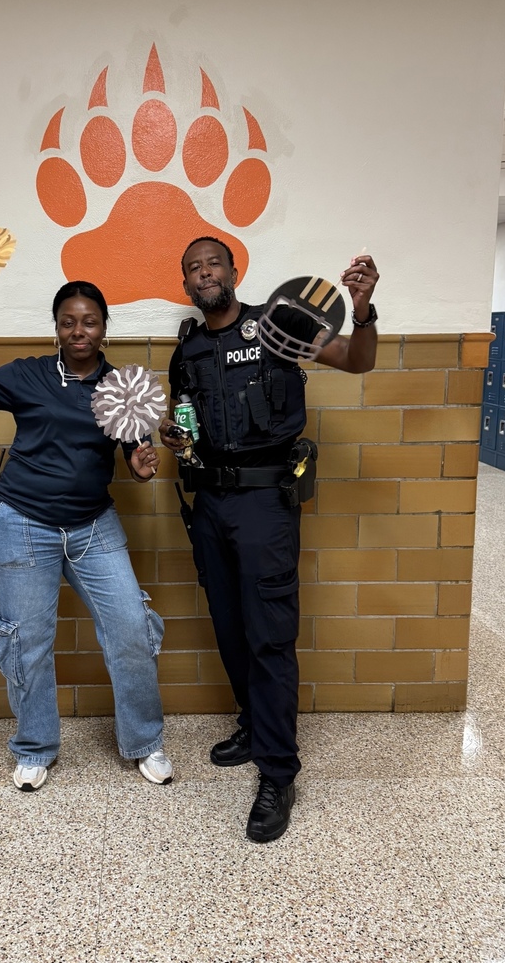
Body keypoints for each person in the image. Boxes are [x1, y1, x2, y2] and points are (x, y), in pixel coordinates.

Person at [159, 238, 379, 842]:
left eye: (213, 264)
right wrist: (173, 437)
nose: (204, 274)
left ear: (235, 271)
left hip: (264, 505)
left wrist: (362, 310)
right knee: (230, 627)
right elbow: (183, 421)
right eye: (193, 268)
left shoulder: (280, 324)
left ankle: (279, 773)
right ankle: (256, 727)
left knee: (270, 636)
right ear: (187, 284)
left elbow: (357, 361)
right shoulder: (188, 350)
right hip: (209, 505)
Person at [0, 280, 173, 791]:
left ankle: (144, 742)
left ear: (105, 329)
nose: (79, 330)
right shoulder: (28, 374)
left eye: (90, 321)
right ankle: (35, 746)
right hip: (21, 523)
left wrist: (144, 467)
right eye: (68, 321)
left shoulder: (123, 386)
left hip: (92, 526)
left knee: (131, 627)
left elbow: (136, 461)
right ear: (56, 327)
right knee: (27, 642)